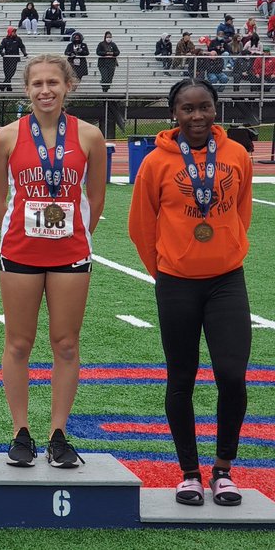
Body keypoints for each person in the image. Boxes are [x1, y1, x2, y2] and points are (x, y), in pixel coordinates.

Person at [128, 79, 253, 507]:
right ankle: (190, 473)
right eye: (187, 109)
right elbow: (141, 227)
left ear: (216, 109)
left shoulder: (236, 154)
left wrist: (227, 250)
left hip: (226, 280)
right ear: (174, 114)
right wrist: (164, 271)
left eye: (204, 108)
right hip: (176, 283)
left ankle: (222, 470)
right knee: (181, 377)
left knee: (232, 376)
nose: (197, 116)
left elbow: (242, 211)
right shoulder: (155, 162)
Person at [0, 53, 107, 468]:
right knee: (19, 343)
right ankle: (20, 432)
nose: (45, 90)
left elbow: (96, 198)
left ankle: (58, 433)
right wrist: (17, 228)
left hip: (71, 251)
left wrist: (74, 232)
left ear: (68, 86)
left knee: (66, 344)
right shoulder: (5, 137)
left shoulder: (90, 136)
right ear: (26, 89)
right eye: (37, 83)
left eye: (53, 82)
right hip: (20, 250)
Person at [0, 26, 27, 91]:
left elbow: (22, 47)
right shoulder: (5, 40)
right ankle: (9, 87)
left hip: (14, 59)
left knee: (11, 72)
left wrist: (24, 53)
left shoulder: (18, 39)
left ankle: (3, 85)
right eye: (13, 32)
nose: (14, 33)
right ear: (10, 32)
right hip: (6, 59)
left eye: (15, 32)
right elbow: (1, 49)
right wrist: (2, 53)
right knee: (7, 73)